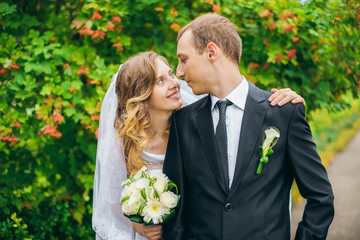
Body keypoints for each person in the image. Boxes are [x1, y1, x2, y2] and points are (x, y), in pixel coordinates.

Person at [91, 51, 304, 240]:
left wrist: (288, 102)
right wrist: (138, 224)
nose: (175, 83)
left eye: (171, 74)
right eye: (160, 81)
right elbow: (111, 202)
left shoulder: (197, 121)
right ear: (140, 95)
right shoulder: (122, 148)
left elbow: (243, 116)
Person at [162, 14, 334, 240]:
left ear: (211, 52)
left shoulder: (283, 113)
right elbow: (176, 207)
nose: (180, 71)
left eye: (184, 59)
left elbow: (320, 197)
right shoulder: (182, 121)